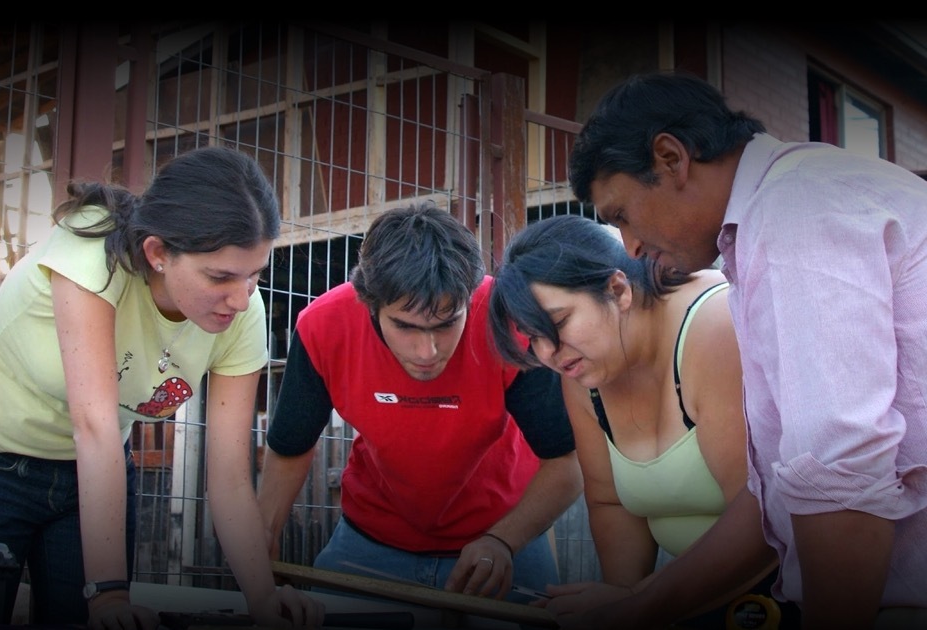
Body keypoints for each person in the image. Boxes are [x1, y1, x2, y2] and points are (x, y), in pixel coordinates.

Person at [547, 70, 927, 630]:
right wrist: (636, 606)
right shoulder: (801, 194)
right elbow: (783, 489)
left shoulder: (796, 209)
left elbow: (839, 470)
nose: (628, 246)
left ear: (671, 158)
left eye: (622, 214)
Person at [0, 146, 325, 630]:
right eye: (220, 276)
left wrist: (262, 596)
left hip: (90, 475)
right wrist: (108, 595)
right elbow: (94, 426)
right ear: (157, 254)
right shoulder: (92, 250)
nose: (240, 299)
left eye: (255, 274)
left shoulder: (243, 313)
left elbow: (231, 478)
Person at [256, 202, 582, 607]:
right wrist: (262, 540)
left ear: (470, 297)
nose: (427, 351)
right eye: (405, 326)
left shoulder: (507, 318)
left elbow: (566, 463)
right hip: (371, 538)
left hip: (501, 536)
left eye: (446, 324)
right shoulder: (323, 326)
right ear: (369, 304)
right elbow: (290, 447)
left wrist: (502, 541)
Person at [487, 213, 799, 628]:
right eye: (534, 335)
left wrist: (637, 602)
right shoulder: (578, 365)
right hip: (681, 597)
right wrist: (617, 598)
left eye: (559, 323)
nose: (548, 353)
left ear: (617, 289)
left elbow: (762, 512)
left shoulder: (714, 326)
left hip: (787, 589)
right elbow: (609, 500)